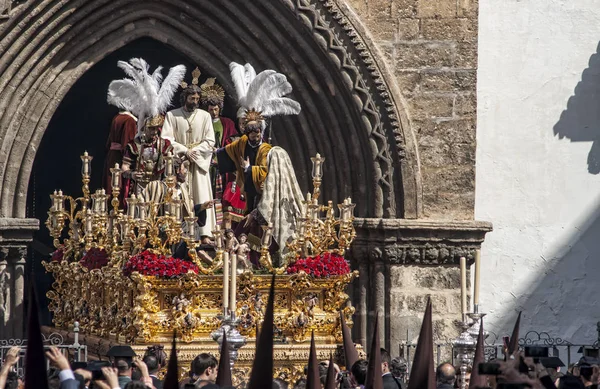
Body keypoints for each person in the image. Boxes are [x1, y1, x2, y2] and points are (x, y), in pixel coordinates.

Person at [161, 68, 216, 244]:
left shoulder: (205, 116)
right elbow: (166, 139)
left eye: (198, 99)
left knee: (202, 197)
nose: (195, 101)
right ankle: (178, 232)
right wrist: (185, 151)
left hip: (198, 164)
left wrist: (195, 152)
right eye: (192, 98)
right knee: (179, 198)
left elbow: (210, 141)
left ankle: (205, 233)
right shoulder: (172, 115)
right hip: (180, 164)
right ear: (185, 98)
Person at [200, 77, 239, 200]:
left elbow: (233, 140)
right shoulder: (202, 122)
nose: (214, 112)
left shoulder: (227, 123)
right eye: (211, 110)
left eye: (216, 109)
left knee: (219, 193)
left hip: (220, 162)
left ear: (220, 108)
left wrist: (223, 154)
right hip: (206, 162)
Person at [122, 116, 173, 198]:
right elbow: (124, 167)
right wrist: (132, 174)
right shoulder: (134, 145)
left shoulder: (164, 144)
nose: (155, 132)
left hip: (158, 186)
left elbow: (171, 165)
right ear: (144, 127)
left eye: (157, 128)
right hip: (139, 186)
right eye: (152, 129)